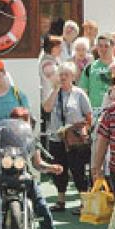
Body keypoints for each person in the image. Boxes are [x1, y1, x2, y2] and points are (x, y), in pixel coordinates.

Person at [0, 107, 65, 229]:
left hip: (23, 176)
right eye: (18, 119)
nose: (21, 123)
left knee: (43, 207)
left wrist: (51, 168)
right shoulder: (0, 136)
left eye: (24, 120)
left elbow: (37, 164)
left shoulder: (29, 140)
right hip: (1, 175)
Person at [42, 62, 92, 214]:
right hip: (57, 138)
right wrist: (56, 89)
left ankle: (84, 203)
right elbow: (46, 108)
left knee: (78, 171)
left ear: (73, 77)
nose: (63, 77)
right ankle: (60, 200)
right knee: (58, 170)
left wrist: (82, 130)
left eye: (66, 75)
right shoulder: (53, 92)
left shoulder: (79, 93)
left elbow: (89, 115)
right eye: (61, 74)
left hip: (74, 140)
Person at [78, 35, 115, 109]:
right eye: (100, 46)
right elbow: (83, 92)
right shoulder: (90, 67)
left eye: (106, 46)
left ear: (112, 47)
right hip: (95, 111)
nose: (103, 49)